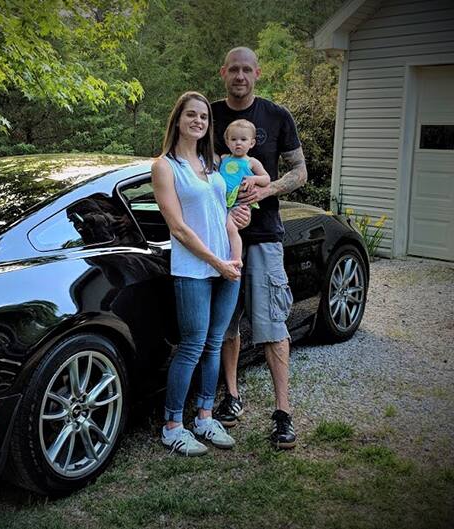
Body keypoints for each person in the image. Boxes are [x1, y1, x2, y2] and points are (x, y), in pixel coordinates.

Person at [210, 47, 308, 449]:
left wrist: (264, 189)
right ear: (223, 72)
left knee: (271, 324)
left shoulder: (277, 115)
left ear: (257, 74)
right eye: (233, 68)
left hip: (265, 235)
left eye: (246, 69)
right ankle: (231, 398)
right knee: (227, 323)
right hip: (219, 236)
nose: (240, 75)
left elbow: (300, 172)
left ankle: (283, 413)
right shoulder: (207, 114)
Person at [151, 91, 246, 456]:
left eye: (204, 117)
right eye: (191, 115)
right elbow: (179, 228)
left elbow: (225, 215)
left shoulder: (212, 163)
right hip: (193, 268)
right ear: (177, 119)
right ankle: (173, 425)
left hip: (226, 267)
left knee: (214, 341)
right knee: (191, 345)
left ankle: (205, 416)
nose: (198, 121)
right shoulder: (165, 166)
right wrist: (216, 262)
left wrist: (234, 258)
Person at [219, 119, 271, 263]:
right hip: (223, 202)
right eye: (233, 139)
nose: (238, 143)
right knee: (221, 228)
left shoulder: (251, 162)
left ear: (252, 143)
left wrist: (253, 180)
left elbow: (266, 179)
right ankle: (223, 255)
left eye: (243, 139)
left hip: (240, 202)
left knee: (230, 227)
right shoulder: (223, 158)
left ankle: (236, 259)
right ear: (227, 142)